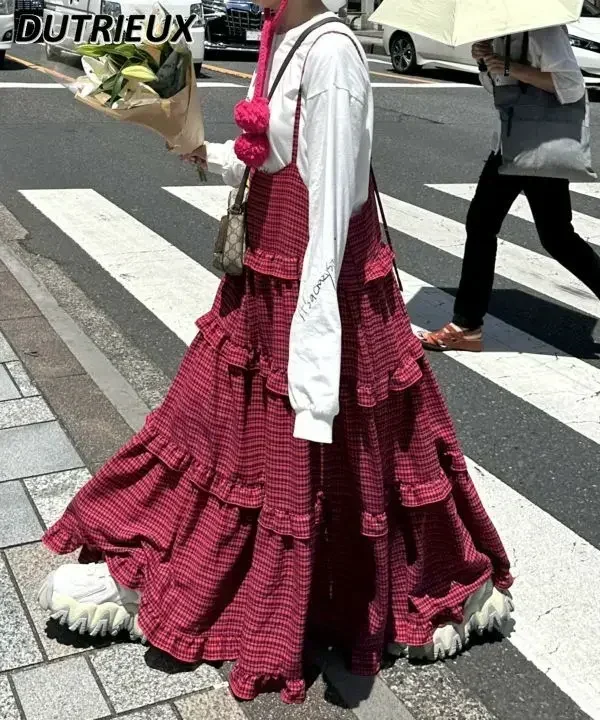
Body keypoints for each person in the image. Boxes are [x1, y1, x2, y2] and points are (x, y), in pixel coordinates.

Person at [37, 0, 514, 704]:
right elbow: (275, 159)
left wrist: (314, 351)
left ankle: (421, 591)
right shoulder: (283, 35)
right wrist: (207, 154)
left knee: (325, 453)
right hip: (266, 278)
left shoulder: (333, 56)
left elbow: (331, 211)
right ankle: (175, 567)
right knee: (213, 434)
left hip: (314, 290)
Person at [420, 26, 600, 353]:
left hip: (538, 146)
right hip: (509, 145)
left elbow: (573, 86)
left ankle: (466, 324)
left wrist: (507, 66)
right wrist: (484, 63)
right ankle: (467, 326)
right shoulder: (499, 33)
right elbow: (499, 92)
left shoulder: (544, 31)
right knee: (491, 226)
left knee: (553, 237)